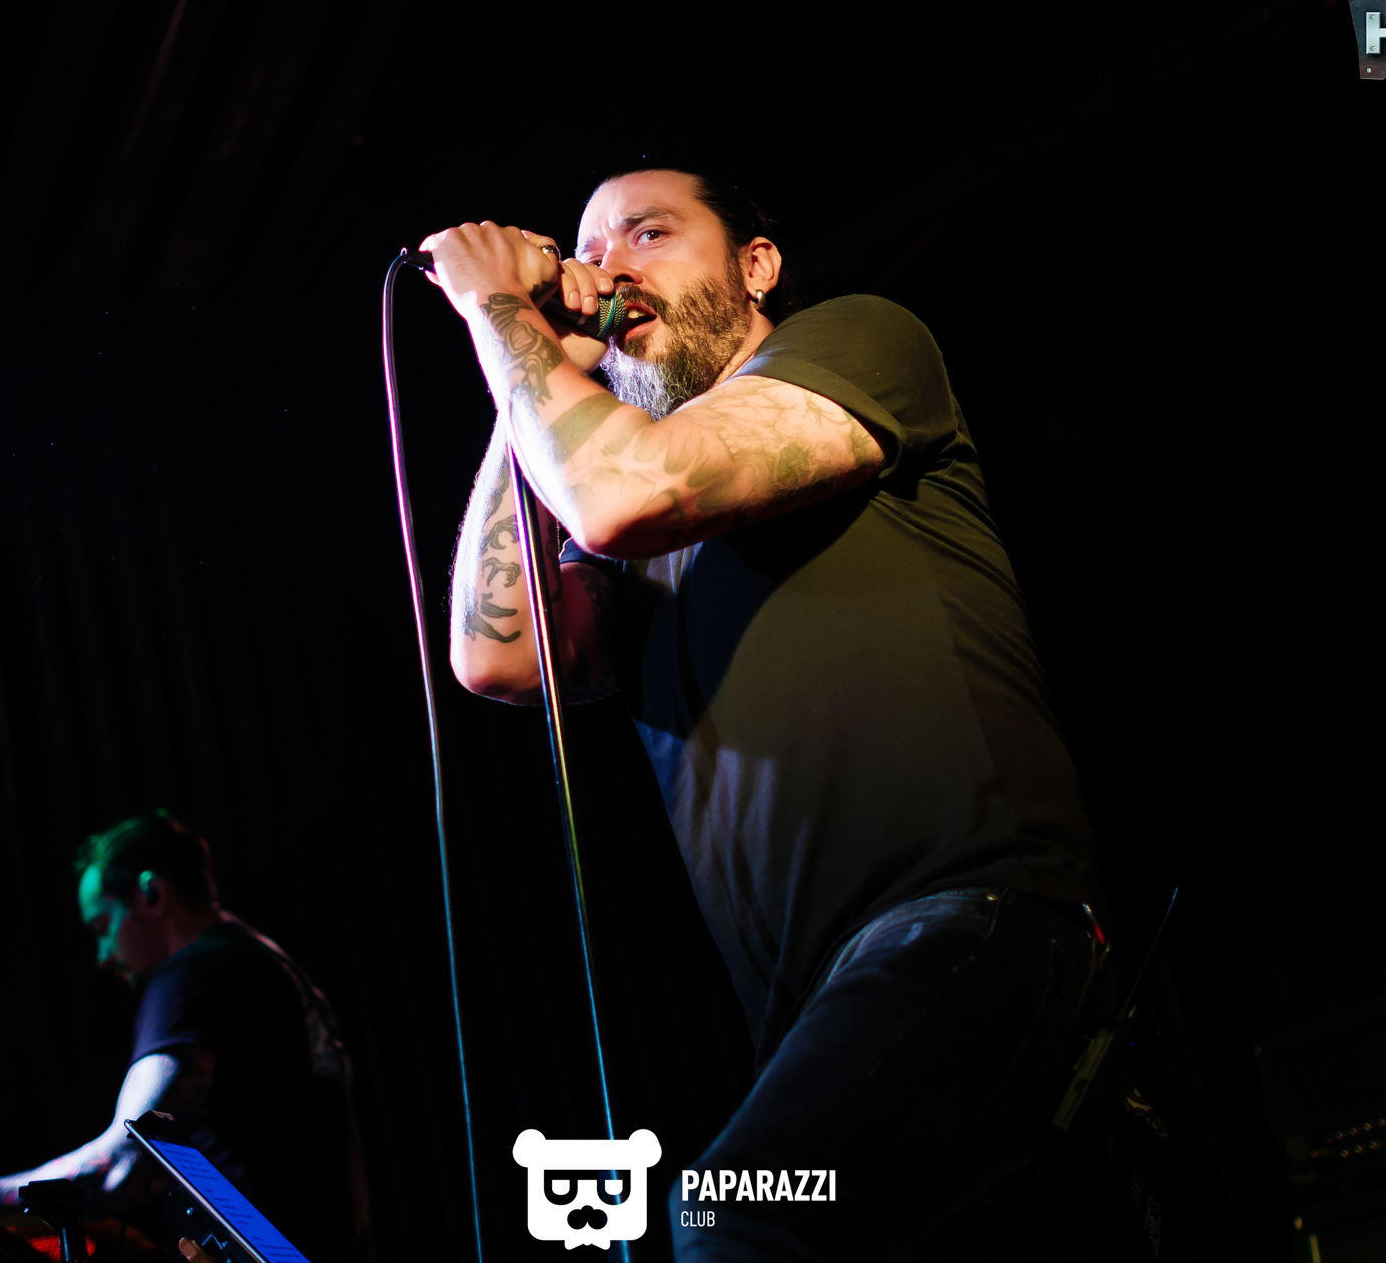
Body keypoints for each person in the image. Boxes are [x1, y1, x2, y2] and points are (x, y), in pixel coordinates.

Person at [427, 167, 1107, 1260]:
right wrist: (532, 361)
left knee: (731, 1214)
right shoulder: (634, 538)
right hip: (819, 1002)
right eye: (592, 252)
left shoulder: (852, 343)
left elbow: (623, 492)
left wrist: (497, 308)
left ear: (756, 266)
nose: (607, 268)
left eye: (648, 233)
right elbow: (495, 655)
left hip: (968, 921)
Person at [0, 811, 371, 1261]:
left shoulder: (191, 976)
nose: (102, 956)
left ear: (152, 895)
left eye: (103, 925)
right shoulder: (267, 964)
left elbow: (125, 1162)